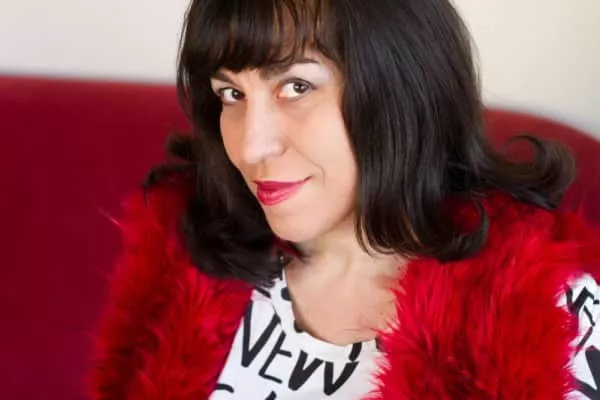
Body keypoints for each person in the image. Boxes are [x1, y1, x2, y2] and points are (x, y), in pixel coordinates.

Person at [89, 0, 600, 399]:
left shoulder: (549, 312)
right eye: (232, 94)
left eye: (295, 86)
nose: (250, 147)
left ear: (403, 87)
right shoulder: (185, 259)